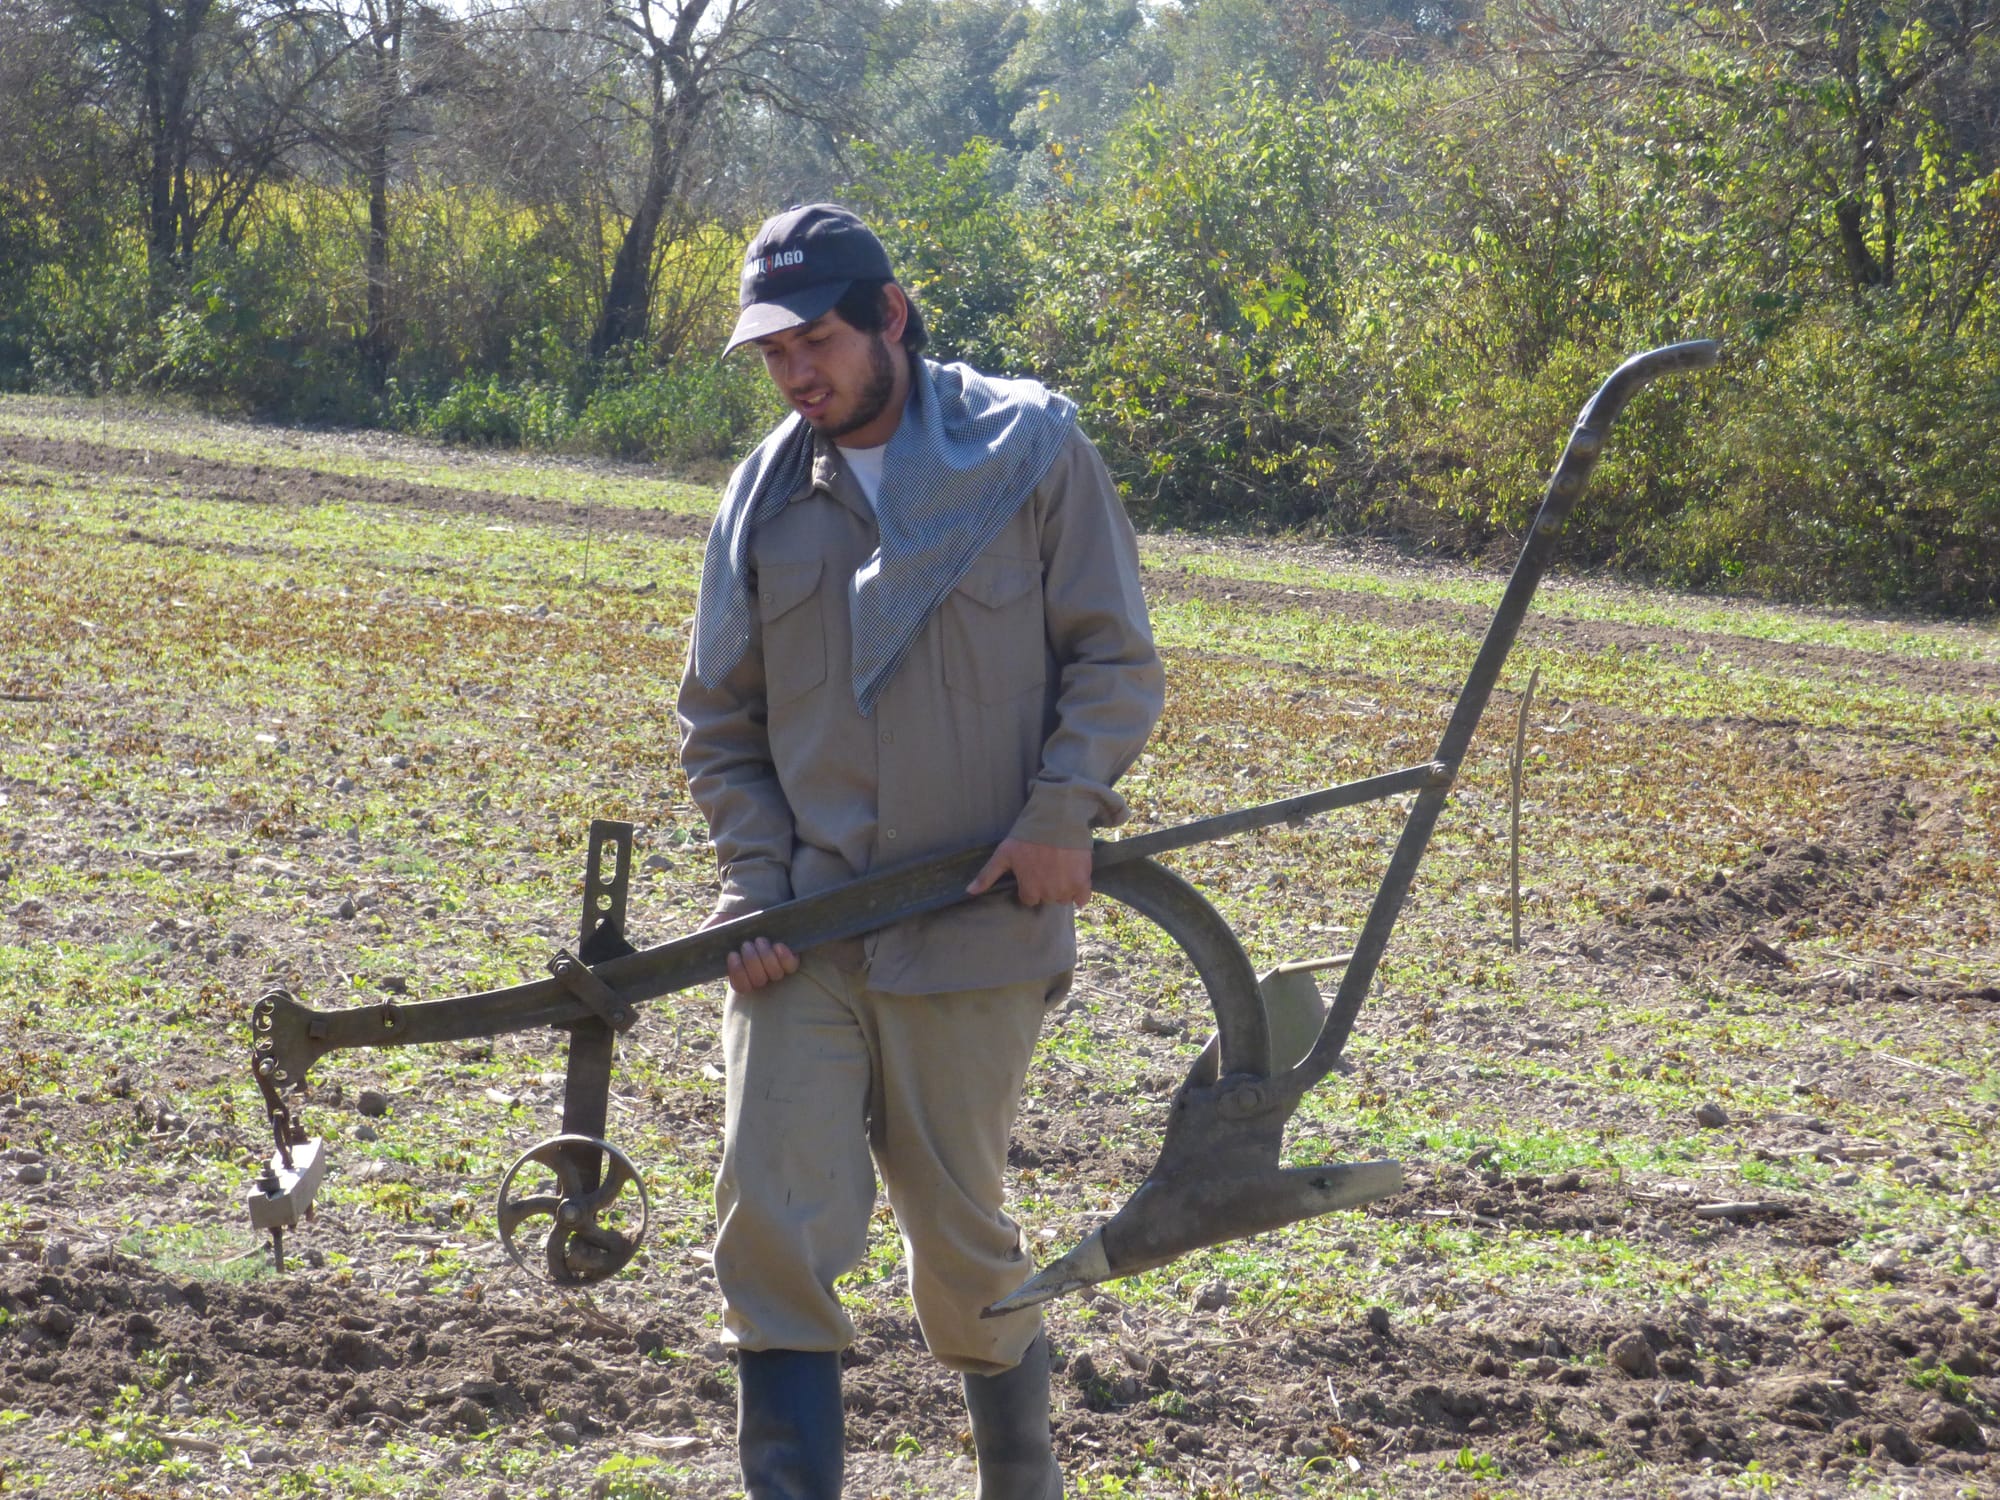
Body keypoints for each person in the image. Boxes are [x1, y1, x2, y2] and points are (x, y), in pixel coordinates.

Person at [677, 203, 1164, 1499]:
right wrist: (753, 887)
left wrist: (1066, 809)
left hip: (977, 926)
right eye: (774, 356)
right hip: (808, 933)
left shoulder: (1032, 452)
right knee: (771, 1230)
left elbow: (1113, 662)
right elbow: (721, 723)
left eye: (816, 342)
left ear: (890, 314)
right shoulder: (764, 498)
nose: (796, 378)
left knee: (963, 1249)